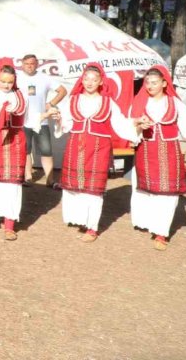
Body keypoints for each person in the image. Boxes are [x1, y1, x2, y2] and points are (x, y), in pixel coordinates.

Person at [51, 63, 143, 243]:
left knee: (94, 187)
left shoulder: (108, 102)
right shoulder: (74, 100)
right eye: (86, 79)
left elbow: (120, 123)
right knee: (75, 183)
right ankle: (79, 218)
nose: (89, 82)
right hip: (76, 145)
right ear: (82, 80)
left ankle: (92, 227)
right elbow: (67, 124)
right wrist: (59, 119)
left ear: (101, 81)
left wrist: (136, 125)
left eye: (94, 79)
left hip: (99, 148)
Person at [127, 66, 186, 250]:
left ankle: (161, 232)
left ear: (164, 83)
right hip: (145, 150)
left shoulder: (174, 103)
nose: (150, 86)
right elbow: (130, 129)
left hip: (169, 151)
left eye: (155, 82)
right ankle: (146, 222)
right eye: (147, 82)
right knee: (145, 188)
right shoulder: (139, 103)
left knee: (167, 191)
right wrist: (138, 125)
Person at [0, 60, 28, 241]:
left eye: (10, 82)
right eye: (3, 81)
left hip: (15, 140)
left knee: (12, 181)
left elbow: (28, 117)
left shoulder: (21, 95)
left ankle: (9, 223)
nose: (6, 85)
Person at [16, 54, 67, 187]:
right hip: (22, 120)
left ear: (37, 64)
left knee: (46, 150)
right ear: (22, 64)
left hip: (41, 120)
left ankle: (50, 180)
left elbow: (62, 91)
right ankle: (28, 177)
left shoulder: (44, 78)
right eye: (26, 63)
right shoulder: (16, 77)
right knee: (25, 149)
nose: (29, 66)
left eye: (32, 63)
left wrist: (51, 103)